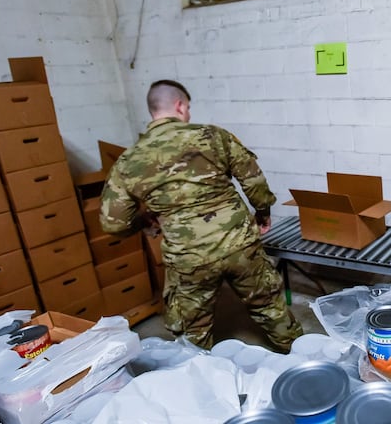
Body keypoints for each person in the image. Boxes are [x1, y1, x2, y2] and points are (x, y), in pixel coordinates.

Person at [100, 79, 304, 351]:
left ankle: (201, 378)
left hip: (189, 257)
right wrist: (263, 212)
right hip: (239, 244)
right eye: (188, 108)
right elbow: (253, 182)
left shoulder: (128, 161)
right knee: (269, 306)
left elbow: (113, 223)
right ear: (180, 105)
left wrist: (143, 220)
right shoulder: (214, 136)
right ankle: (306, 359)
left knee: (192, 329)